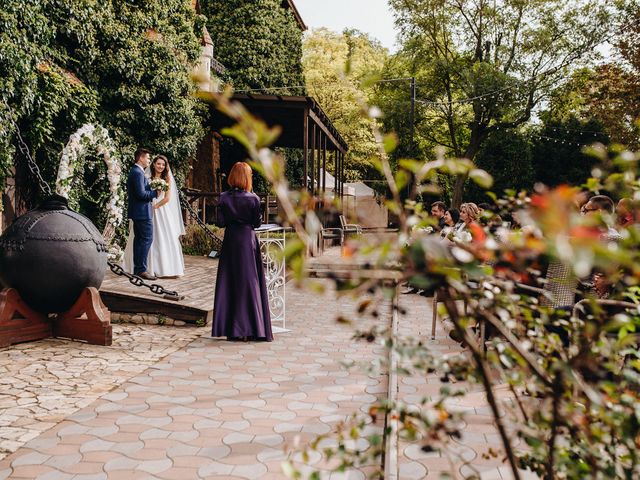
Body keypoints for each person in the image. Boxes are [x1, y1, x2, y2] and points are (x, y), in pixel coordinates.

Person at [212, 162, 273, 342]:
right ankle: (252, 328)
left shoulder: (223, 197)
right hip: (247, 241)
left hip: (231, 241)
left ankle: (232, 328)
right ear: (247, 177)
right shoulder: (253, 199)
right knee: (250, 282)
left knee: (230, 281)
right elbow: (257, 223)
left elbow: (221, 222)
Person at [124, 155, 186, 277]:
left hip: (160, 209)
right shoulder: (146, 176)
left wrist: (156, 207)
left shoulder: (167, 178)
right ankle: (139, 267)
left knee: (159, 238)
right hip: (145, 208)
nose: (160, 166)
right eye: (158, 164)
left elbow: (167, 198)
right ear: (154, 164)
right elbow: (142, 192)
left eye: (163, 164)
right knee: (143, 238)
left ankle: (163, 268)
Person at [126, 148, 159, 280]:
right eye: (148, 158)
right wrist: (154, 193)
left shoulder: (136, 171)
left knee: (139, 240)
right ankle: (141, 270)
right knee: (146, 239)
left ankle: (138, 269)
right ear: (141, 158)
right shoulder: (138, 173)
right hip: (142, 212)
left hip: (138, 212)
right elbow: (140, 194)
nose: (149, 160)